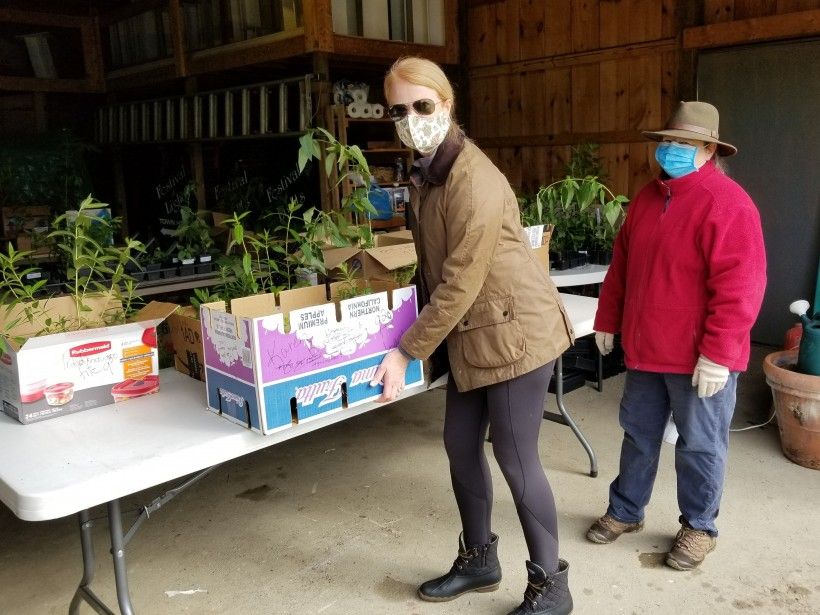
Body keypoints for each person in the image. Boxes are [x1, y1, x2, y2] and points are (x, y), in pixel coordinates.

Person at [369, 56, 575, 615]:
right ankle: (480, 558)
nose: (411, 118)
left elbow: (460, 282)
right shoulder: (426, 173)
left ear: (448, 104)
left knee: (515, 457)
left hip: (515, 335)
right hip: (471, 334)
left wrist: (405, 349)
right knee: (461, 447)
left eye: (422, 106)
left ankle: (550, 587)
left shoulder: (472, 178)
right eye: (399, 110)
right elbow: (432, 269)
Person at [588, 101, 767, 570]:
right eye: (667, 141)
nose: (671, 150)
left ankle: (699, 526)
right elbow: (622, 267)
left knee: (701, 445)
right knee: (638, 435)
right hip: (647, 349)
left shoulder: (728, 204)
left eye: (683, 143)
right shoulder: (649, 198)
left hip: (697, 358)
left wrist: (720, 354)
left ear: (709, 149)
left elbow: (742, 286)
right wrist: (608, 318)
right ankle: (626, 510)